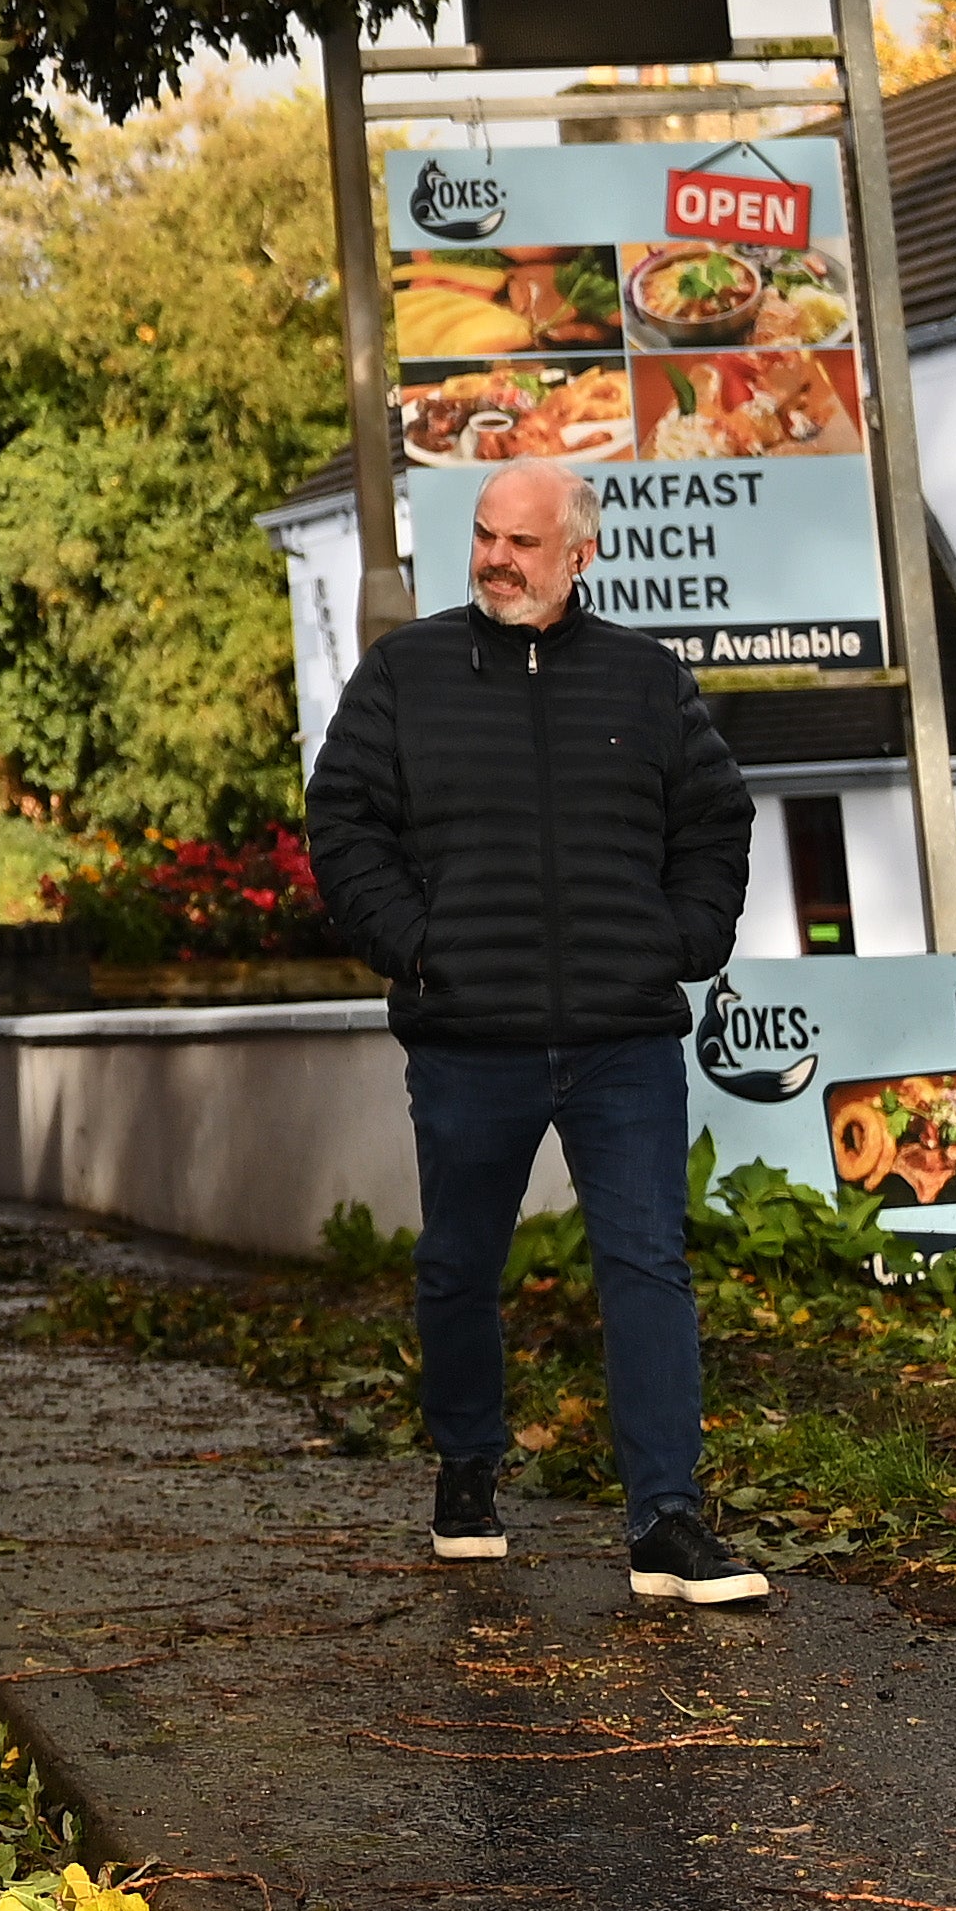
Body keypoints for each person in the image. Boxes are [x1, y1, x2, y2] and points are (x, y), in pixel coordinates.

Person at [304, 456, 765, 1603]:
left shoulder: (647, 680)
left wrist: (683, 939)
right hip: (469, 1035)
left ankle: (666, 1520)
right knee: (460, 1265)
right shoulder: (406, 672)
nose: (497, 558)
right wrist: (416, 944)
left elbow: (715, 820)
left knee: (648, 1262)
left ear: (580, 553)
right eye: (485, 536)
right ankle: (468, 1469)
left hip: (624, 1039)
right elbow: (342, 820)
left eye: (523, 540)